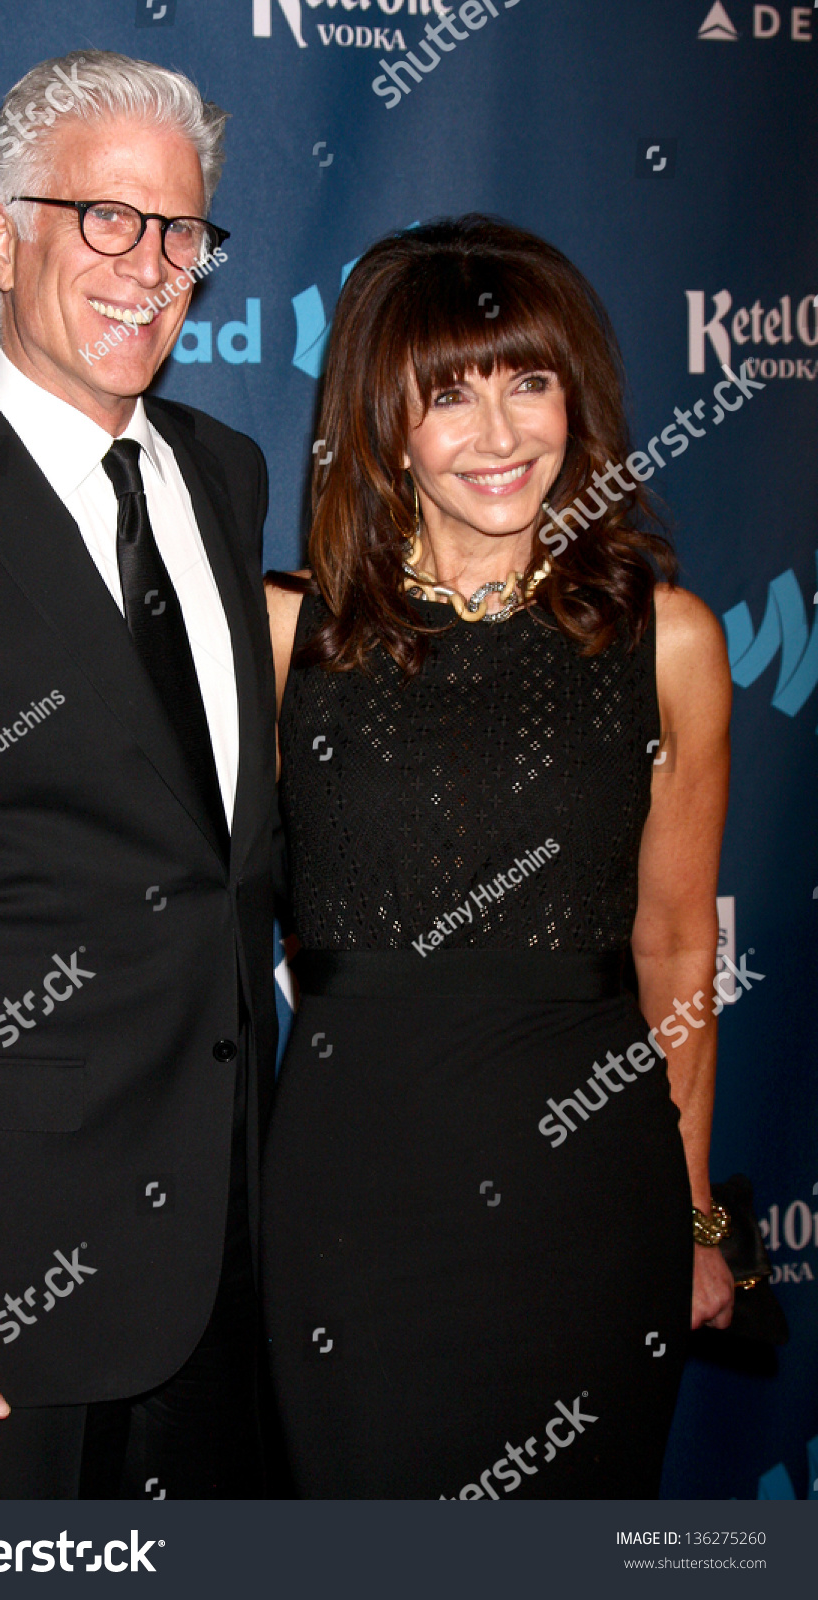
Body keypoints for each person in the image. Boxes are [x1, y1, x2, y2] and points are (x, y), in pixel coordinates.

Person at [0, 51, 278, 1499]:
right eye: (106, 219)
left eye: (183, 231)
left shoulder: (225, 472)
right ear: (1, 235)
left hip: (229, 1258)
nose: (153, 267)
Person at [262, 215, 735, 1500]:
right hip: (351, 1200)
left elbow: (676, 942)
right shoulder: (283, 634)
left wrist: (689, 1211)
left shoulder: (668, 641)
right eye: (448, 394)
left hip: (588, 1206)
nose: (500, 433)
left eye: (528, 380)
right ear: (381, 420)